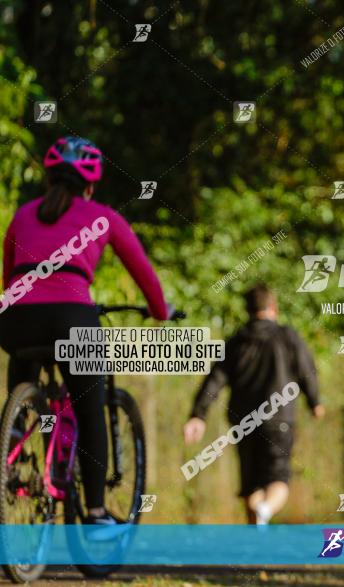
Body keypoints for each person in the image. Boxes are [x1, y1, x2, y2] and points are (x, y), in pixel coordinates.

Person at [0, 136, 171, 530]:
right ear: (91, 185)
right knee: (90, 411)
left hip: (14, 318)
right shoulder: (104, 217)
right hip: (71, 318)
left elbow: (9, 273)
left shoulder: (22, 215)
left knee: (21, 371)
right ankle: (95, 512)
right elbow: (144, 273)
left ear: (47, 179)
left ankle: (12, 444)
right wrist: (160, 313)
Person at [183, 284, 324, 524]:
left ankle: (257, 536)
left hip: (244, 422)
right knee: (278, 477)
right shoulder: (287, 337)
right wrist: (315, 402)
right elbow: (306, 369)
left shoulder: (237, 341)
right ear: (273, 307)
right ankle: (266, 510)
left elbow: (215, 380)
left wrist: (199, 414)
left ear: (247, 309)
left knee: (251, 483)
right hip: (279, 420)